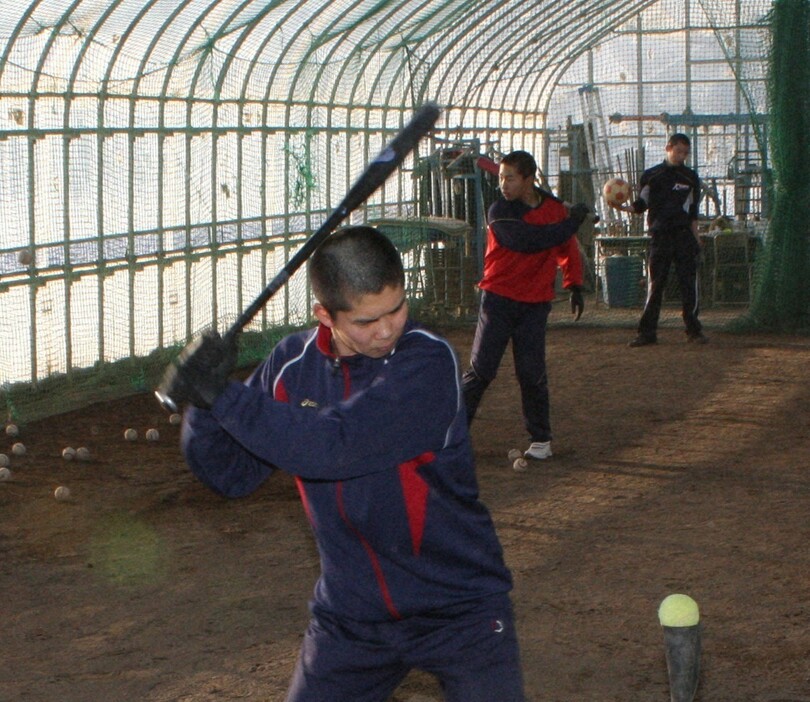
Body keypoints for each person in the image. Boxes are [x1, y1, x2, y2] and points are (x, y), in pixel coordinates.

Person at [159, 226, 526, 702]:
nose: (387, 329)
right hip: (352, 618)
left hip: (459, 609)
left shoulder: (427, 362)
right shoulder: (293, 364)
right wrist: (204, 406)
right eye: (365, 320)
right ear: (324, 315)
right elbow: (230, 473)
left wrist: (223, 396)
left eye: (396, 308)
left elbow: (338, 445)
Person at [462, 150, 588, 462]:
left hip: (534, 304)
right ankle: (452, 438)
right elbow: (528, 240)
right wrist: (571, 222)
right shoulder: (499, 211)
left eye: (510, 178)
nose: (502, 184)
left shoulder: (554, 211)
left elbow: (565, 248)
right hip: (498, 300)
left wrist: (574, 283)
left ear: (529, 180)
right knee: (481, 371)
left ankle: (541, 440)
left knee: (532, 374)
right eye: (501, 177)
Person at [616, 132, 707, 346]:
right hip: (660, 235)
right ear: (668, 148)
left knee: (688, 283)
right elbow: (641, 204)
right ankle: (647, 332)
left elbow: (693, 212)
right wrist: (625, 207)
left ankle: (693, 330)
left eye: (685, 152)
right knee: (655, 284)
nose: (681, 156)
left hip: (684, 236)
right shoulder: (652, 175)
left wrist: (697, 237)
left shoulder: (690, 177)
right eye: (678, 151)